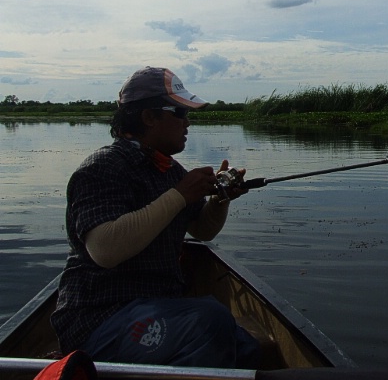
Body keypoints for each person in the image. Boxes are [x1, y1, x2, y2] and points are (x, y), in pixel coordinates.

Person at [50, 66, 259, 368]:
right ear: (149, 117)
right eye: (179, 112)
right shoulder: (102, 168)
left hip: (159, 308)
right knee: (212, 319)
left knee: (246, 348)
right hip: (99, 319)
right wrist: (179, 195)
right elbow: (105, 250)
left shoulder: (171, 171)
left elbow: (202, 230)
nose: (187, 122)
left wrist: (219, 200)